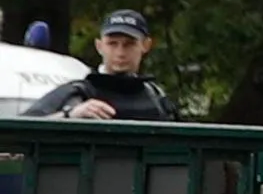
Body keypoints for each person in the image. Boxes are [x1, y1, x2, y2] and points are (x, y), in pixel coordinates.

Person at [25, 12, 175, 122]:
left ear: (146, 45)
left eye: (129, 44)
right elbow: (19, 131)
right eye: (112, 44)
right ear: (99, 46)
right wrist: (69, 115)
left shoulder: (156, 96)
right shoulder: (78, 93)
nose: (120, 52)